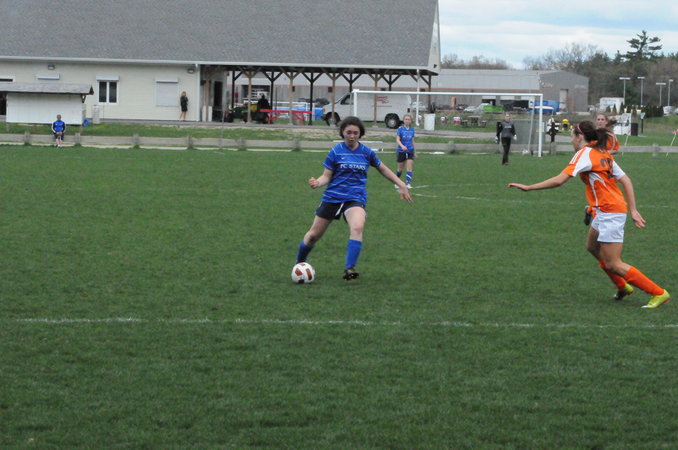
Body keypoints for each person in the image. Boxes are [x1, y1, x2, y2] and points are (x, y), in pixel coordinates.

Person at [508, 120, 670, 308]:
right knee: (592, 247)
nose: (571, 141)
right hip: (605, 210)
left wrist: (529, 187)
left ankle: (658, 293)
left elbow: (560, 180)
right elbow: (626, 180)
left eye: (572, 136)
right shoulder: (601, 153)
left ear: (579, 137)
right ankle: (623, 286)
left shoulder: (584, 154)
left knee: (614, 263)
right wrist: (632, 209)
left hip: (610, 212)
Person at [295, 116, 412, 280]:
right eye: (349, 132)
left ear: (360, 134)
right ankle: (299, 264)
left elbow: (383, 169)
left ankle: (349, 268)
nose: (352, 136)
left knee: (357, 227)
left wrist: (401, 184)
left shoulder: (367, 152)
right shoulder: (336, 151)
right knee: (313, 236)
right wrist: (318, 182)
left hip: (355, 198)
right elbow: (326, 176)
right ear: (342, 132)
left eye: (355, 133)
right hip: (333, 197)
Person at [395, 113, 416, 188]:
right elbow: (397, 139)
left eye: (409, 119)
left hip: (410, 150)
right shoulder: (400, 129)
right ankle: (396, 182)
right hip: (401, 151)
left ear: (411, 121)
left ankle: (408, 183)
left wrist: (415, 152)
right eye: (406, 119)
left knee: (409, 167)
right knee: (400, 168)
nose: (407, 121)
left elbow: (412, 141)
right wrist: (402, 146)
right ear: (403, 120)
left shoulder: (412, 130)